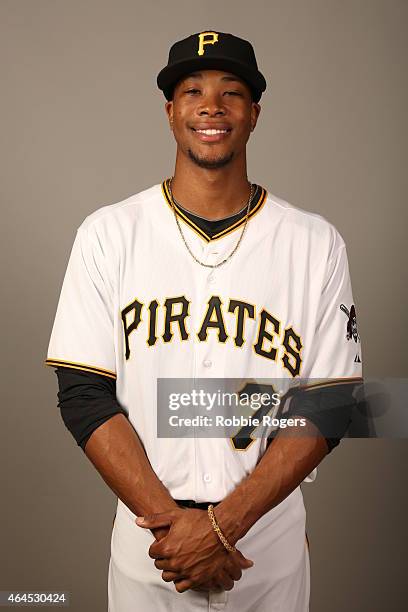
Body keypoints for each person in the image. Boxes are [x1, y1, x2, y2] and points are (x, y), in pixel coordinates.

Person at [45, 30, 363, 611]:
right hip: (153, 548)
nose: (211, 106)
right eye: (192, 91)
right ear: (171, 112)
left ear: (254, 114)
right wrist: (178, 532)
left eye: (231, 92)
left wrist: (222, 529)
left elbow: (332, 402)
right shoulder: (108, 235)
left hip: (265, 546)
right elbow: (84, 394)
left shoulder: (315, 243)